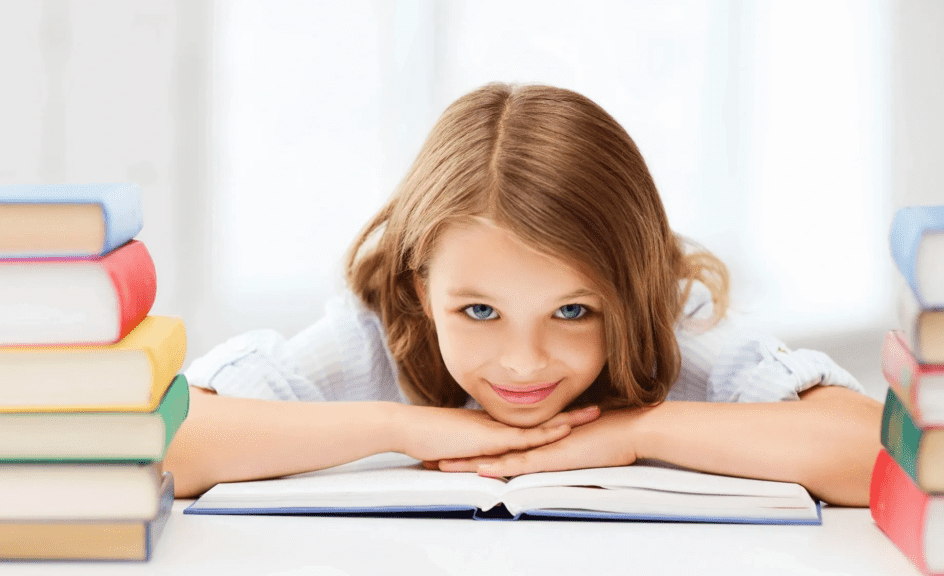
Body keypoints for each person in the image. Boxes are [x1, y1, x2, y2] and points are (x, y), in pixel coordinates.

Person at [165, 83, 883, 505]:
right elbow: (164, 441)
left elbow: (875, 449)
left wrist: (635, 432)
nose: (522, 362)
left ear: (629, 295)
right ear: (422, 288)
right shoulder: (384, 331)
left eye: (573, 310)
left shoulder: (670, 332)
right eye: (479, 311)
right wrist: (403, 427)